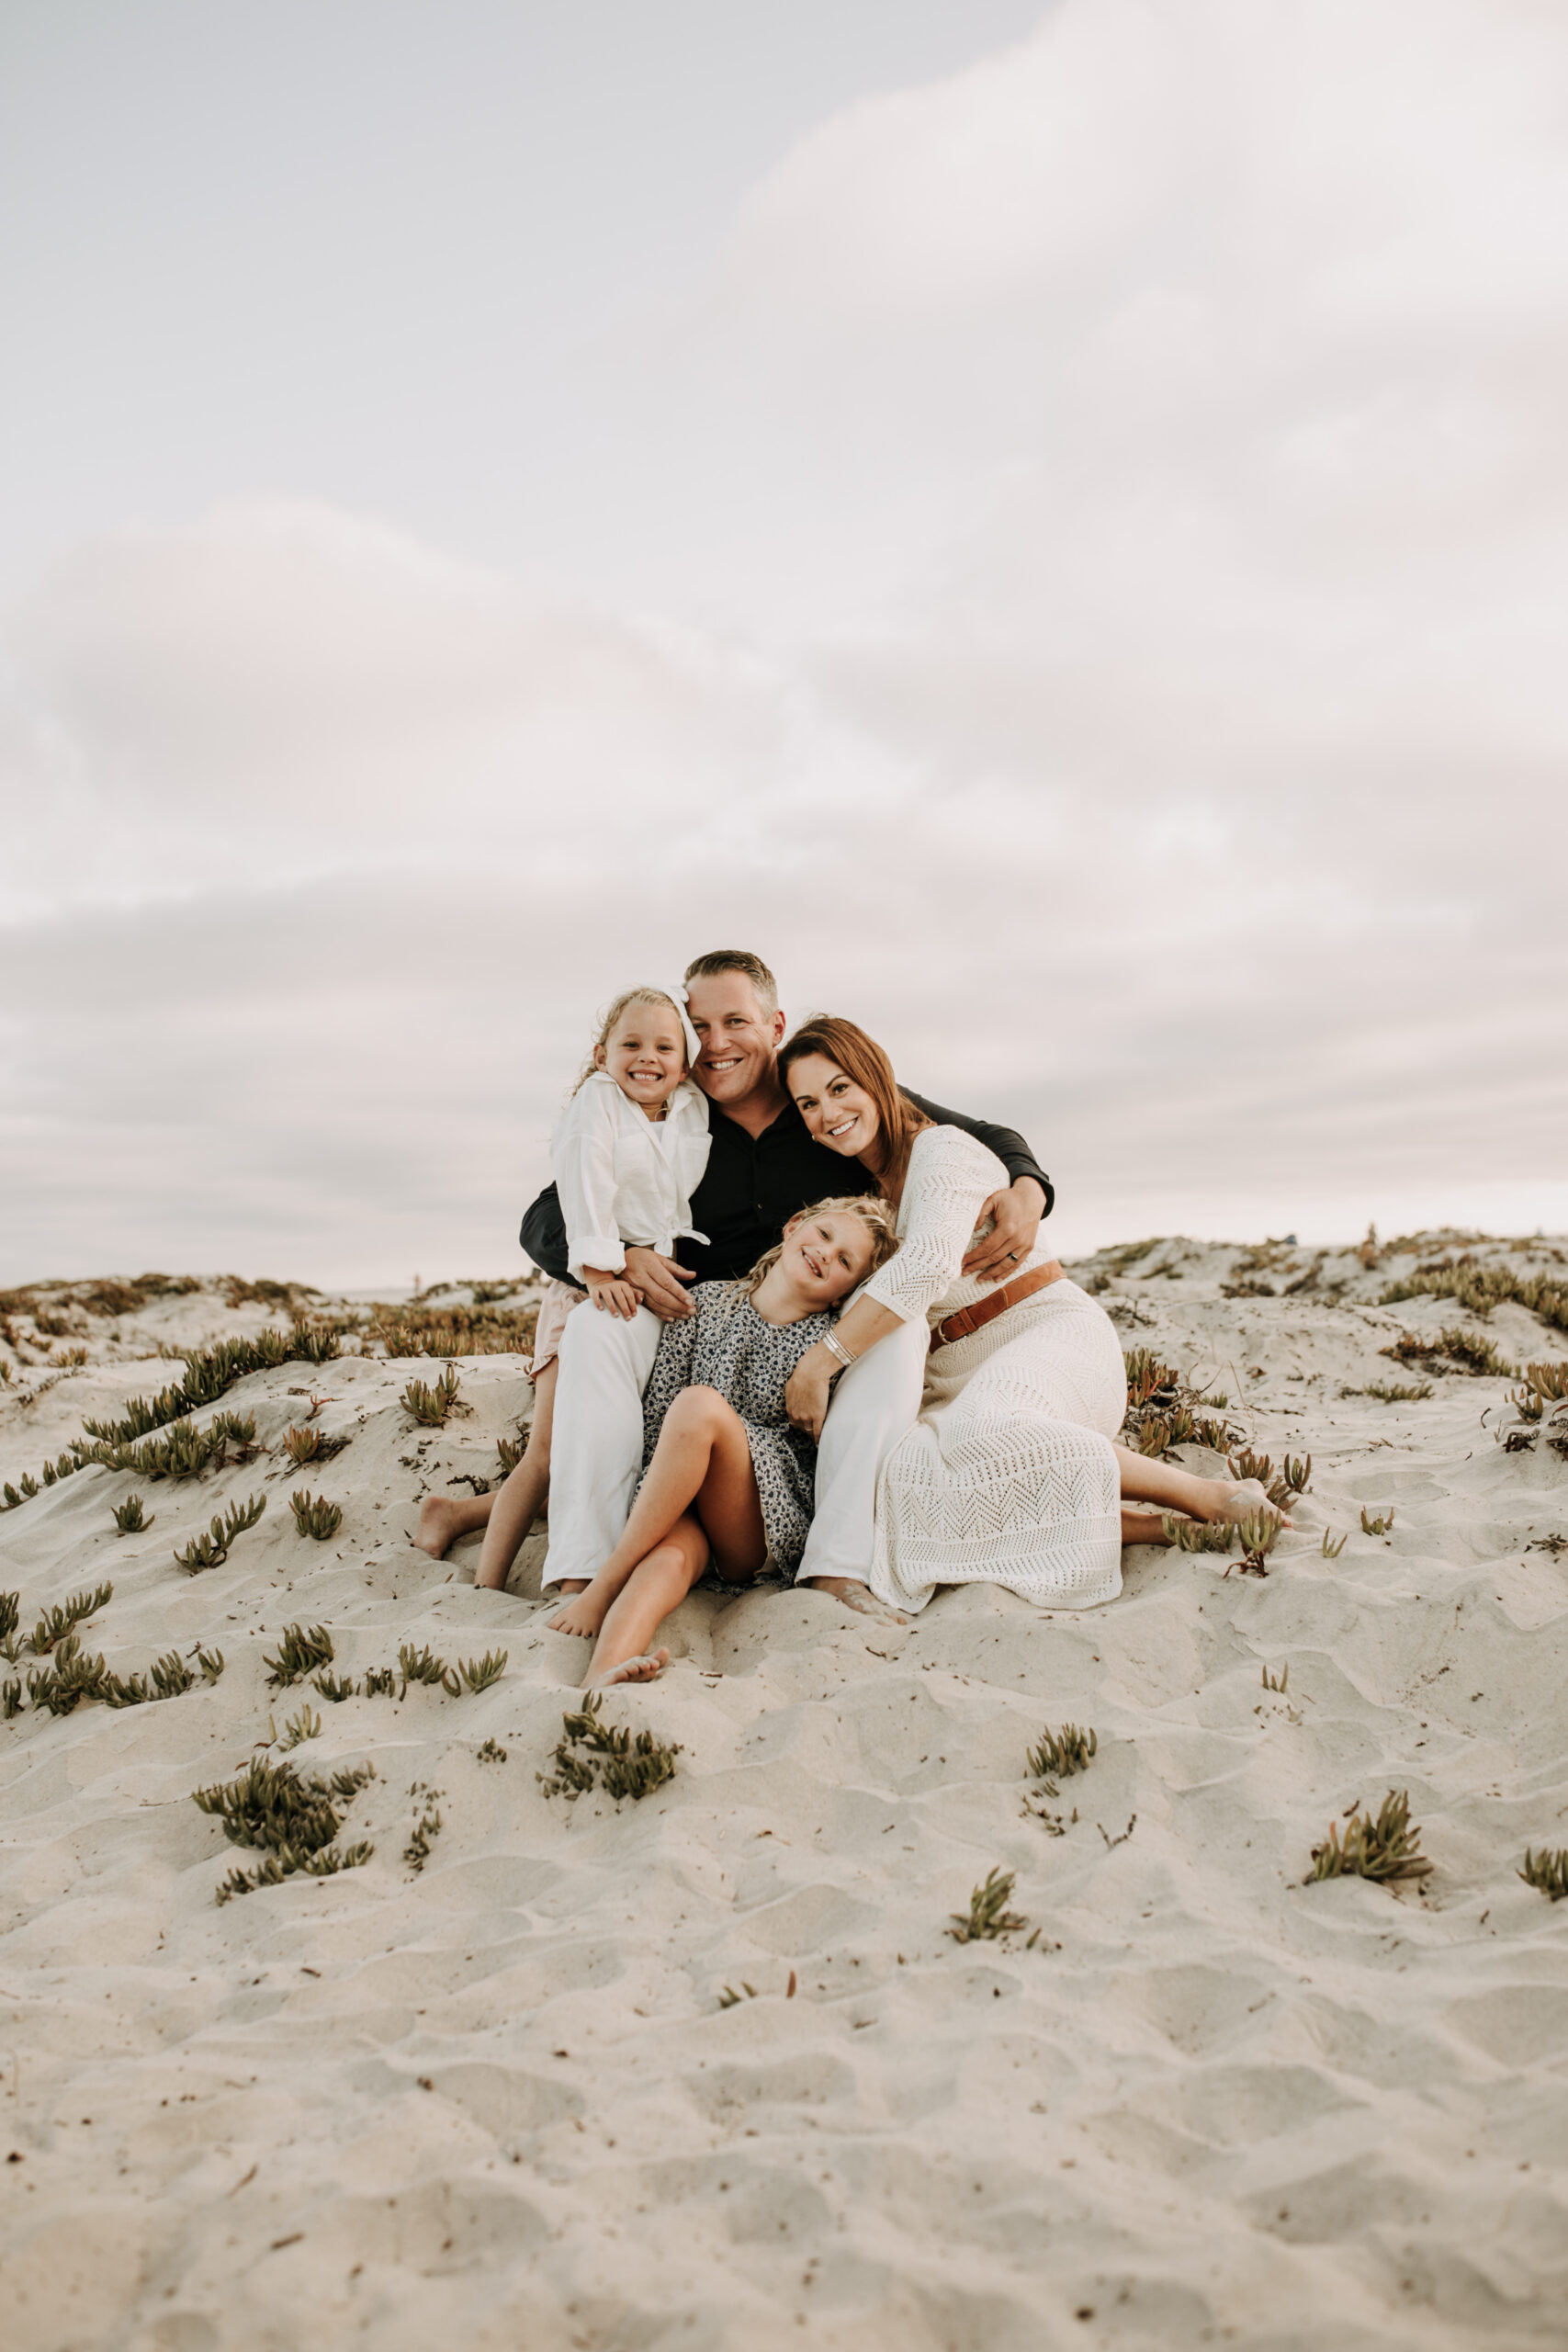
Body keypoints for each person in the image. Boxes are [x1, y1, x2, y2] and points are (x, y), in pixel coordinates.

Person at [525, 951, 1056, 1615]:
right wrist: (624, 1253)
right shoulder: (671, 1109)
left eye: (735, 1022)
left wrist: (1028, 1182)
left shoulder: (823, 1098)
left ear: (773, 1025)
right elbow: (544, 1215)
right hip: (700, 1320)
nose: (715, 1045)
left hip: (819, 1322)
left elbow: (975, 1131)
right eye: (700, 1026)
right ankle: (581, 1571)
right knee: (598, 1321)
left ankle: (836, 1566)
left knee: (899, 1329)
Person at [780, 1016, 1289, 1613]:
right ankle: (1149, 1528)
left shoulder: (941, 1149)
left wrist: (821, 1363)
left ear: (875, 1080)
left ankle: (1209, 1496)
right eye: (808, 1103)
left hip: (1047, 1334)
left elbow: (926, 1266)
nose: (826, 1112)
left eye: (839, 1088)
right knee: (907, 1474)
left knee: (982, 1433)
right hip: (958, 1377)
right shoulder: (869, 1193)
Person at [416, 986, 709, 1588]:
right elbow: (581, 1186)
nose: (647, 1057)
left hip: (635, 1302)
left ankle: (461, 1513)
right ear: (602, 1054)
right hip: (585, 1292)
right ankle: (486, 1584)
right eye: (631, 1044)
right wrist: (601, 1269)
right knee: (548, 1455)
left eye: (663, 1046)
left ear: (685, 1062)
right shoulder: (598, 1106)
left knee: (587, 1456)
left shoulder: (683, 1110)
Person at [547, 1195, 899, 1688]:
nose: (826, 1253)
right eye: (824, 1235)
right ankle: (605, 1669)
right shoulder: (705, 1303)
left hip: (757, 1521)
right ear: (793, 1227)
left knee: (698, 1405)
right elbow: (658, 1414)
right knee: (668, 1559)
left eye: (845, 1261)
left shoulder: (827, 1346)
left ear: (845, 1293)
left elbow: (813, 1449)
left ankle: (604, 1582)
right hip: (686, 1506)